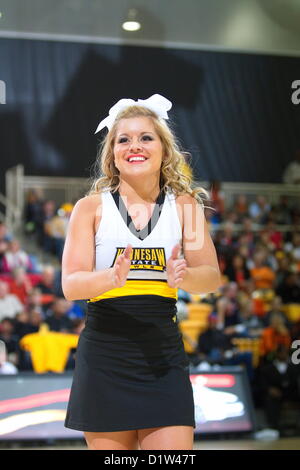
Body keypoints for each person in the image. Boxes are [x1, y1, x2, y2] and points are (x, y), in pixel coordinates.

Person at [62, 94, 221, 450]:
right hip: (105, 355)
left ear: (164, 149)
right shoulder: (89, 209)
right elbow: (71, 286)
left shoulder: (185, 208)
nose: (135, 146)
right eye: (124, 139)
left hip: (162, 355)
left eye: (145, 137)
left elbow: (211, 276)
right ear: (113, 154)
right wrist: (109, 279)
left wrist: (185, 275)